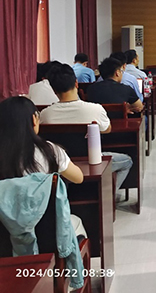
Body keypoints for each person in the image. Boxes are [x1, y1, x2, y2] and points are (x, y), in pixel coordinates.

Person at [0, 96, 87, 289]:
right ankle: (71, 282)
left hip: (5, 245)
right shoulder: (49, 152)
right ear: (34, 119)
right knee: (75, 223)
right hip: (48, 240)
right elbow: (78, 177)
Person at [41, 63, 133, 191]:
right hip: (91, 162)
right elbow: (107, 129)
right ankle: (109, 195)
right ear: (76, 83)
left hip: (60, 166)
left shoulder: (45, 114)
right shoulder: (95, 109)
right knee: (127, 161)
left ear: (54, 90)